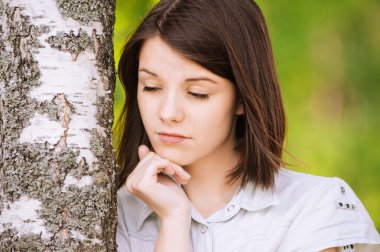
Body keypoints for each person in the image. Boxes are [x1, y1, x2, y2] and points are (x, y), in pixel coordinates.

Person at [114, 0, 380, 251]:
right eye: (151, 87)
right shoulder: (112, 215)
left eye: (197, 93)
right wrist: (174, 220)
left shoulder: (313, 209)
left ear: (243, 97)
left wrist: (173, 218)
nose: (168, 113)